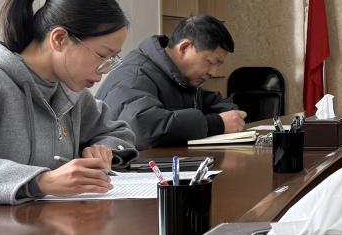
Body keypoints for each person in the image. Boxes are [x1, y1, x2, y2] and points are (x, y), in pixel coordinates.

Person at [0, 0, 137, 204]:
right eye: (103, 55)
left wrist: (103, 149)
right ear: (60, 39)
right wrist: (41, 181)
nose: (105, 69)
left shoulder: (69, 89)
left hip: (53, 220)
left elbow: (118, 132)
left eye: (113, 59)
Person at [98, 15, 246, 150]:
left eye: (218, 65)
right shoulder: (135, 76)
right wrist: (217, 124)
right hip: (119, 168)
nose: (213, 72)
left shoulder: (179, 79)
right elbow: (143, 127)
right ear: (184, 47)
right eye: (210, 62)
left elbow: (213, 101)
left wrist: (231, 115)